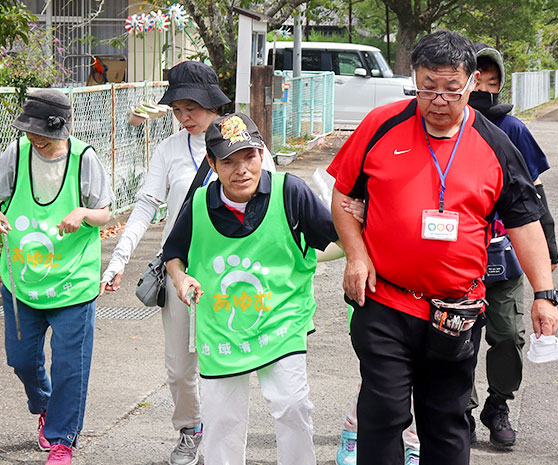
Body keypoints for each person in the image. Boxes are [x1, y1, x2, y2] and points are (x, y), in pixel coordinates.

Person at [327, 30, 558, 465]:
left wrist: (544, 293)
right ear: (414, 79)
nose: (437, 100)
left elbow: (525, 221)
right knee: (383, 413)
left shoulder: (495, 143)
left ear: (472, 82)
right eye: (426, 87)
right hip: (385, 301)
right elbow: (343, 194)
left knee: (447, 422)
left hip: (455, 311)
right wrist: (356, 255)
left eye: (451, 89)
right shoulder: (381, 124)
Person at [99, 61, 274, 465]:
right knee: (180, 368)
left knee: (227, 363)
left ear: (212, 103)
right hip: (180, 271)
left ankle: (223, 439)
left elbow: (272, 199)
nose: (184, 117)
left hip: (234, 273)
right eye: (177, 109)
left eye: (191, 107)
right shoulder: (170, 149)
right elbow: (146, 205)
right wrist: (119, 259)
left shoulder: (245, 144)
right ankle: (190, 428)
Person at [162, 112, 340, 465]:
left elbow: (337, 239)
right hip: (222, 329)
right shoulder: (199, 203)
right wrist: (181, 279)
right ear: (212, 162)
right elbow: (173, 253)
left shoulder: (290, 192)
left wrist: (308, 256)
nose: (241, 170)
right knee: (222, 421)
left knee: (292, 405)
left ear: (261, 153)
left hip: (282, 321)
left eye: (249, 157)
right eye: (229, 161)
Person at [0, 90, 113, 465]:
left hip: (72, 282)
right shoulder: (15, 153)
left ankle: (62, 438)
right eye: (29, 132)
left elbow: (105, 213)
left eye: (43, 135)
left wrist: (83, 213)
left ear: (63, 129)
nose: (35, 140)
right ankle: (45, 405)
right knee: (20, 359)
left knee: (69, 367)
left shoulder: (84, 159)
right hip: (22, 280)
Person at [465, 42, 558, 449]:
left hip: (505, 252)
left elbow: (535, 192)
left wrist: (548, 250)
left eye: (493, 82)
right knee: (459, 338)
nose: (484, 89)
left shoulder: (513, 129)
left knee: (507, 335)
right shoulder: (449, 125)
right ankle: (461, 410)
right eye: (477, 81)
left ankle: (498, 404)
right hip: (458, 255)